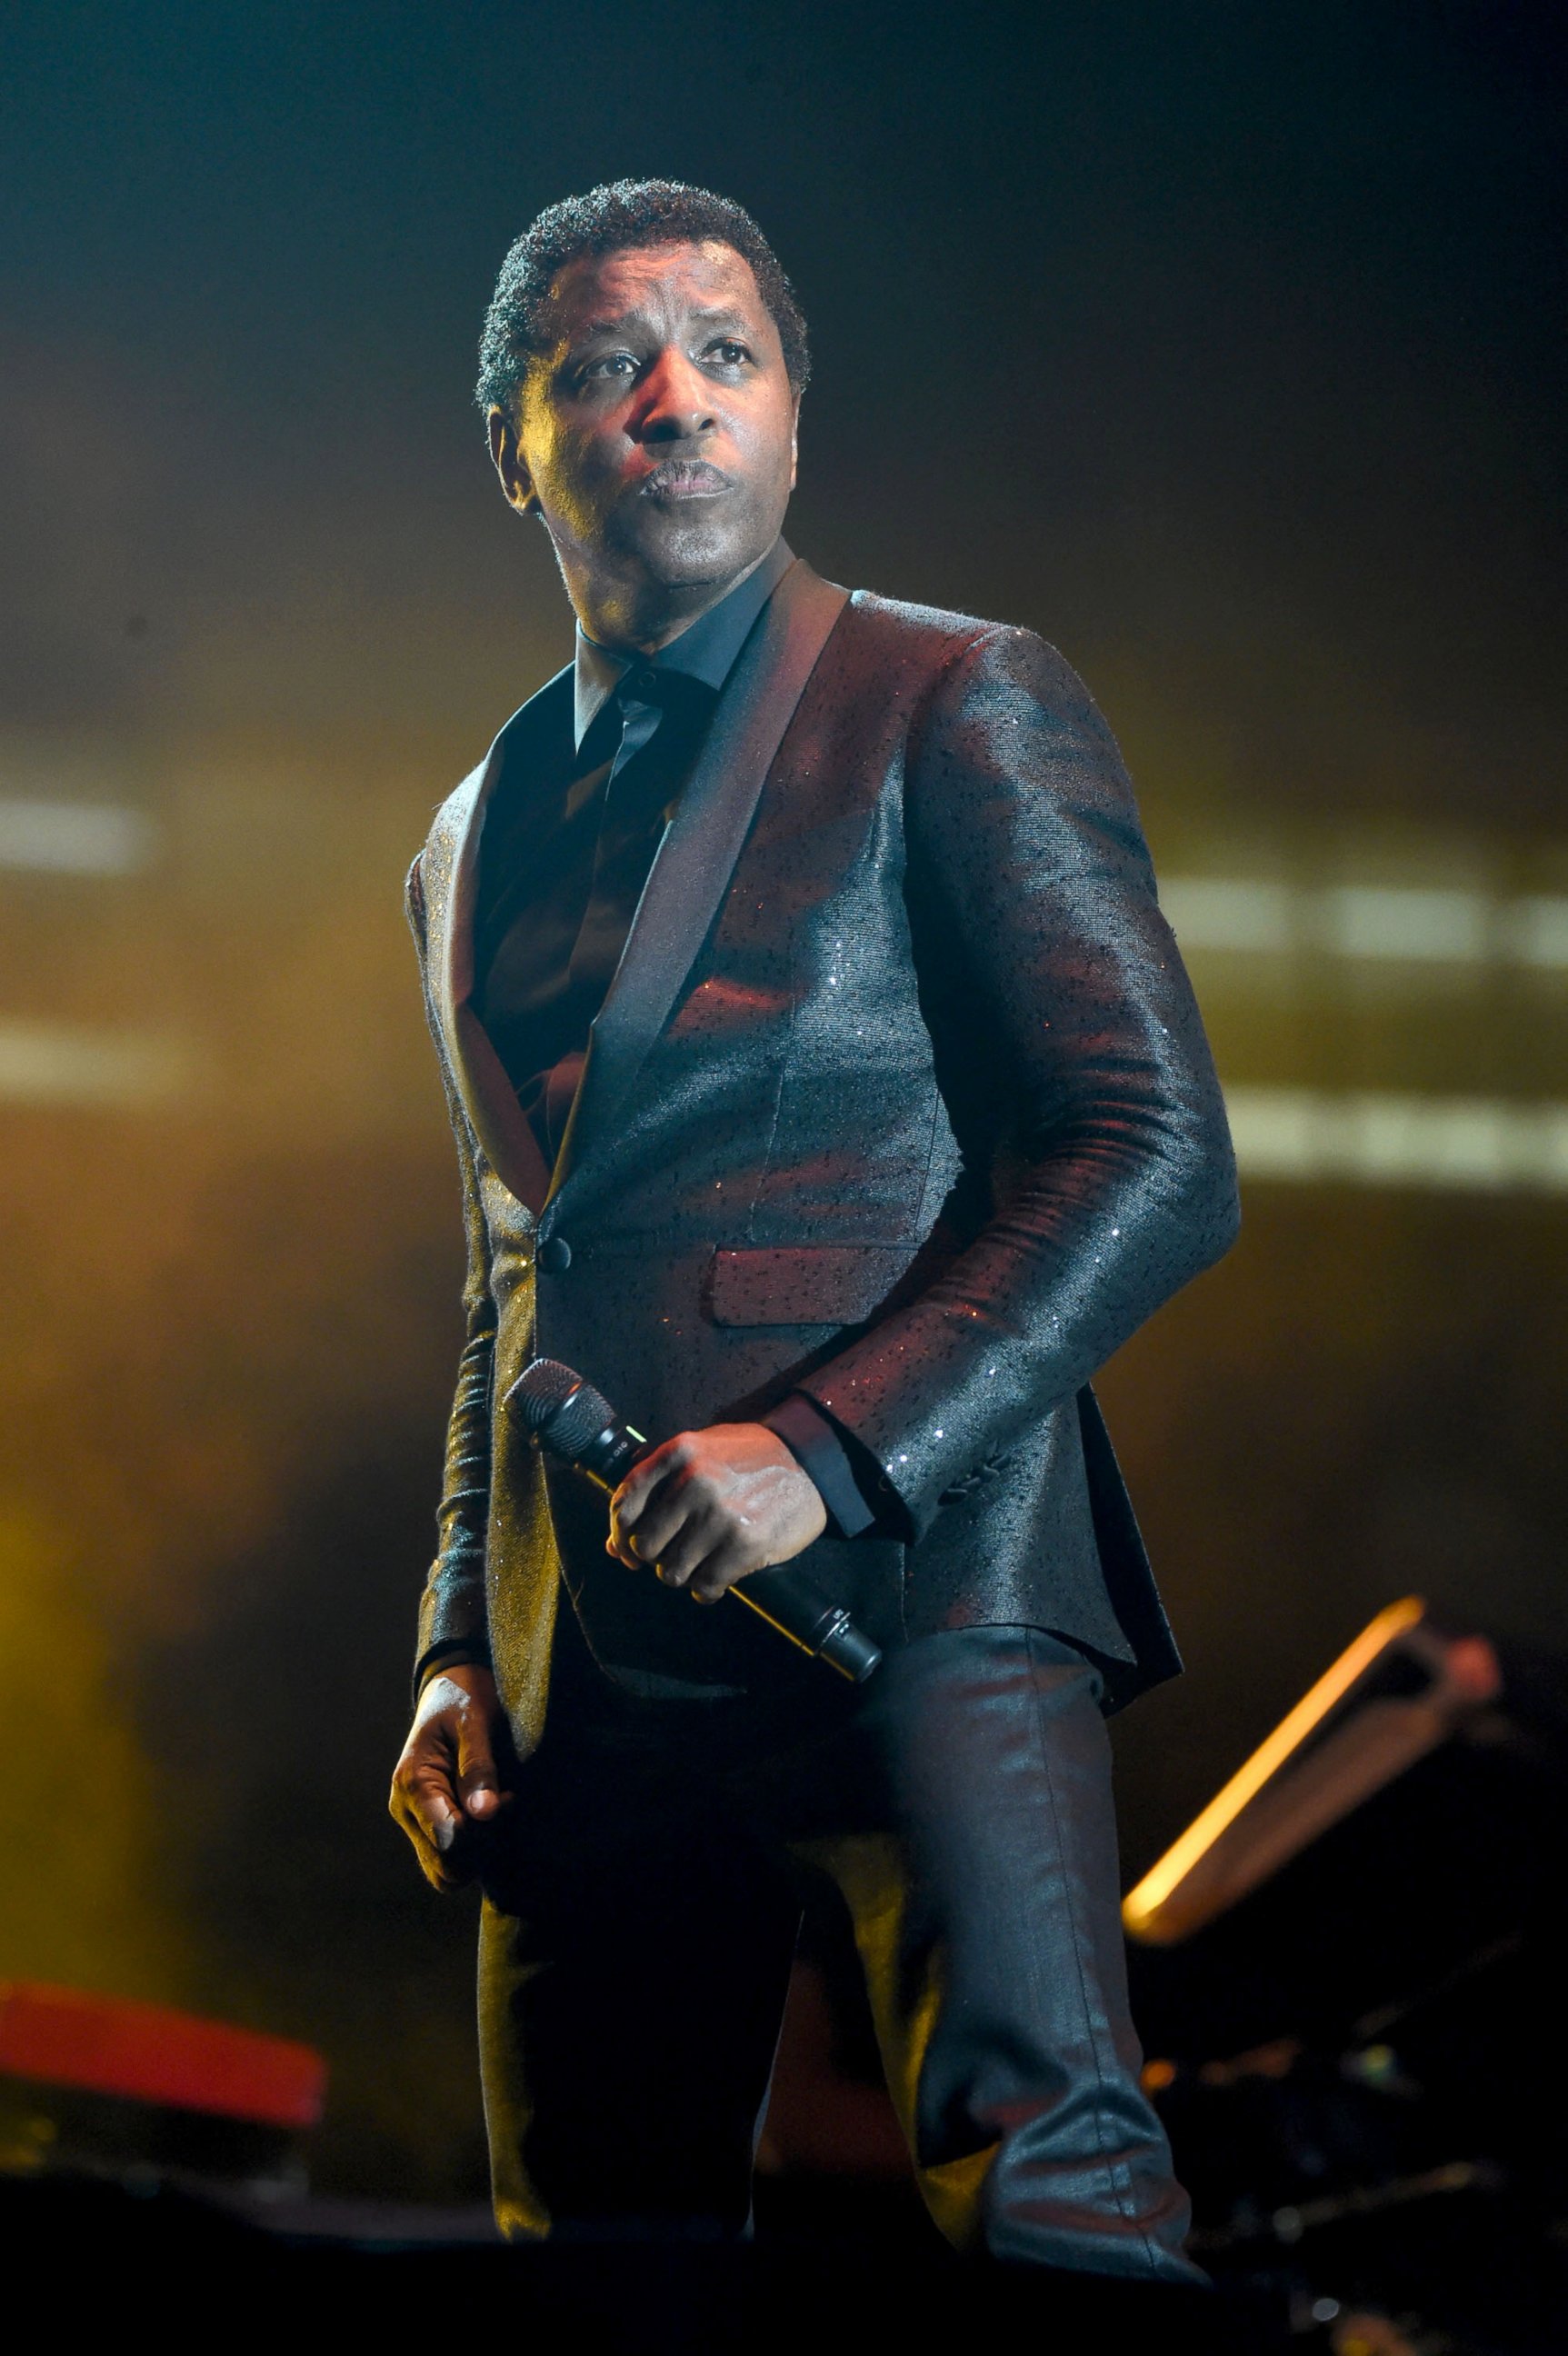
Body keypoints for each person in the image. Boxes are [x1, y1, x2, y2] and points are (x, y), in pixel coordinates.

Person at [389, 178, 1238, 2278]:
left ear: (790, 421)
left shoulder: (957, 696)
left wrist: (827, 1449)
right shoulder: (458, 835)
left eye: (724, 355)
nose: (671, 400)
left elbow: (1152, 1149)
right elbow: (515, 1280)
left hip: (921, 1590)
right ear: (512, 444)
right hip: (580, 1654)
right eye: (603, 367)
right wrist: (447, 1639)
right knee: (590, 2251)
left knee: (1046, 2214)